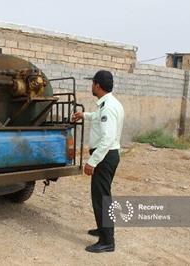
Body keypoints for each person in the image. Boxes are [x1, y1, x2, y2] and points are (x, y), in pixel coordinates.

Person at [72, 70, 124, 253]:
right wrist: (84, 115)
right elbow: (98, 117)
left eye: (92, 83)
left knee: (101, 198)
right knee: (103, 196)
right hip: (109, 155)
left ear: (97, 86)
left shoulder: (107, 107)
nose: (91, 86)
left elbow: (107, 139)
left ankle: (107, 241)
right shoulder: (109, 104)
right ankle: (103, 229)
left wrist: (92, 162)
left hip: (104, 156)